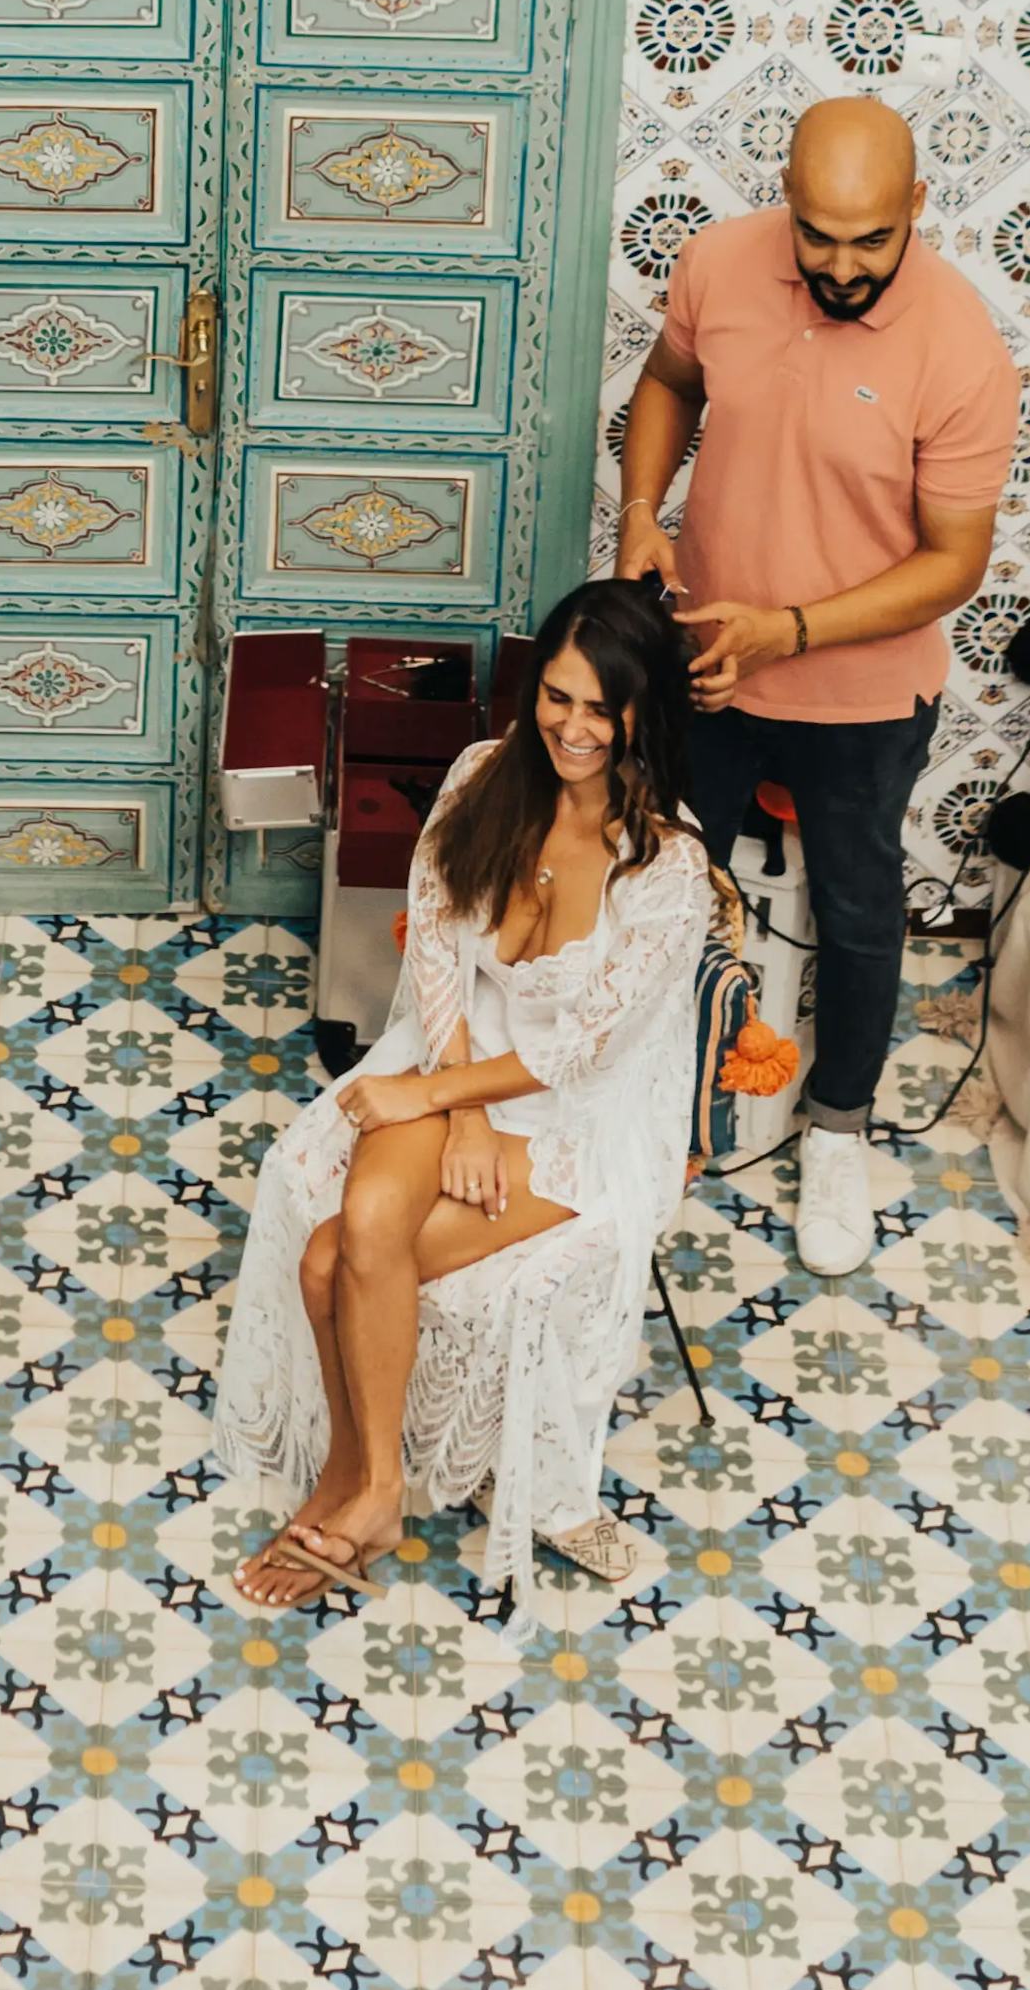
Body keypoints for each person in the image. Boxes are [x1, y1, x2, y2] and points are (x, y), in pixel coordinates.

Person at [216, 578, 711, 1616]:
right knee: (359, 1223)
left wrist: (423, 1099)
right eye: (557, 698)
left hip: (582, 1120)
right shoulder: (485, 774)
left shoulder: (668, 870)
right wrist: (456, 1107)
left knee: (330, 1263)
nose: (572, 728)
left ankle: (353, 1486)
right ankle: (374, 1490)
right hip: (463, 1068)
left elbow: (585, 1051)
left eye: (599, 708)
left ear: (642, 712)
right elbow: (438, 943)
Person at [618, 93, 1018, 1282]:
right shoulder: (717, 264)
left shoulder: (960, 350)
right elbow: (667, 385)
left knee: (856, 914)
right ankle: (648, 1103)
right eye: (817, 234)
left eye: (872, 240)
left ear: (917, 212)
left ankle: (837, 1128)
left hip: (863, 693)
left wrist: (787, 630)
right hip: (705, 662)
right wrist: (644, 515)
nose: (841, 267)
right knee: (664, 891)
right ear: (786, 203)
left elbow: (953, 564)